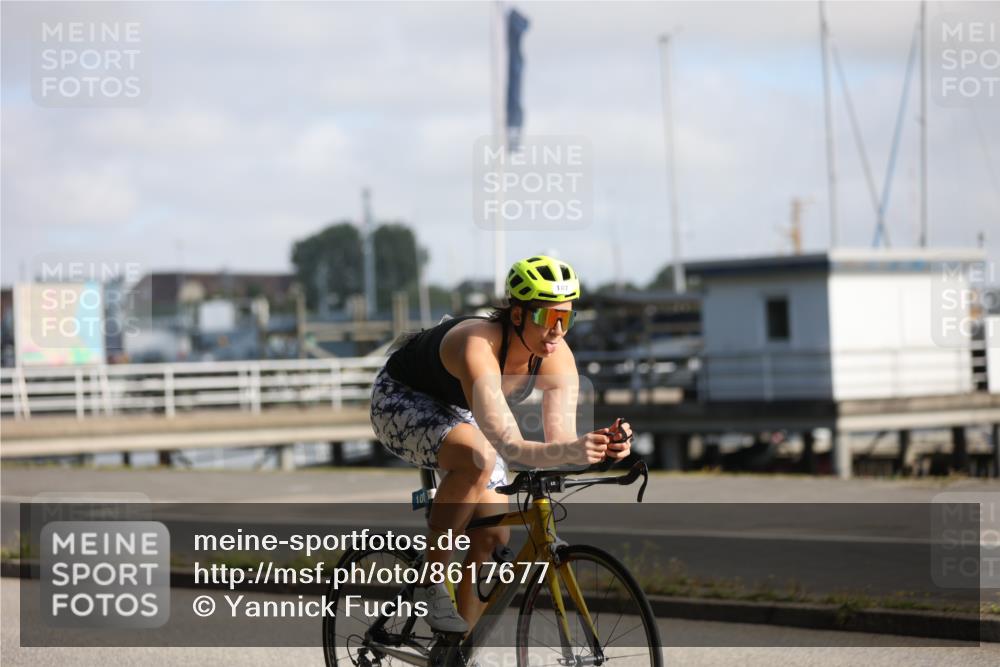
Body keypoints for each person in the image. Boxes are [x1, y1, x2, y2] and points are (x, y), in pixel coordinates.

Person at [370, 255, 632, 634]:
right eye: (549, 317)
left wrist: (601, 448)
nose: (558, 331)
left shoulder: (557, 357)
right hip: (402, 398)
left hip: (463, 407)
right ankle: (430, 580)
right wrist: (572, 451)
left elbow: (559, 443)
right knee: (477, 457)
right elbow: (510, 446)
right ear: (518, 315)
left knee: (492, 538)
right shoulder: (477, 345)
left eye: (567, 318)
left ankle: (458, 652)